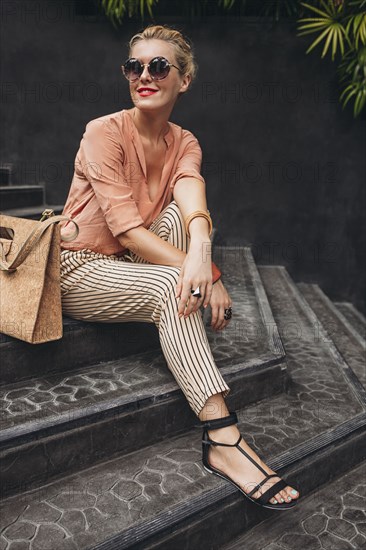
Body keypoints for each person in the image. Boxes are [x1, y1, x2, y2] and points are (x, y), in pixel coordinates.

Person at [59, 25, 300, 510]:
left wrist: (204, 250)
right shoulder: (103, 131)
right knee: (177, 282)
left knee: (187, 218)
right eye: (134, 67)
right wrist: (204, 277)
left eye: (158, 66)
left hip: (131, 261)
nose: (143, 75)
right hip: (79, 268)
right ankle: (223, 438)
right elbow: (126, 232)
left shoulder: (184, 141)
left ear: (183, 80)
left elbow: (192, 197)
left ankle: (181, 290)